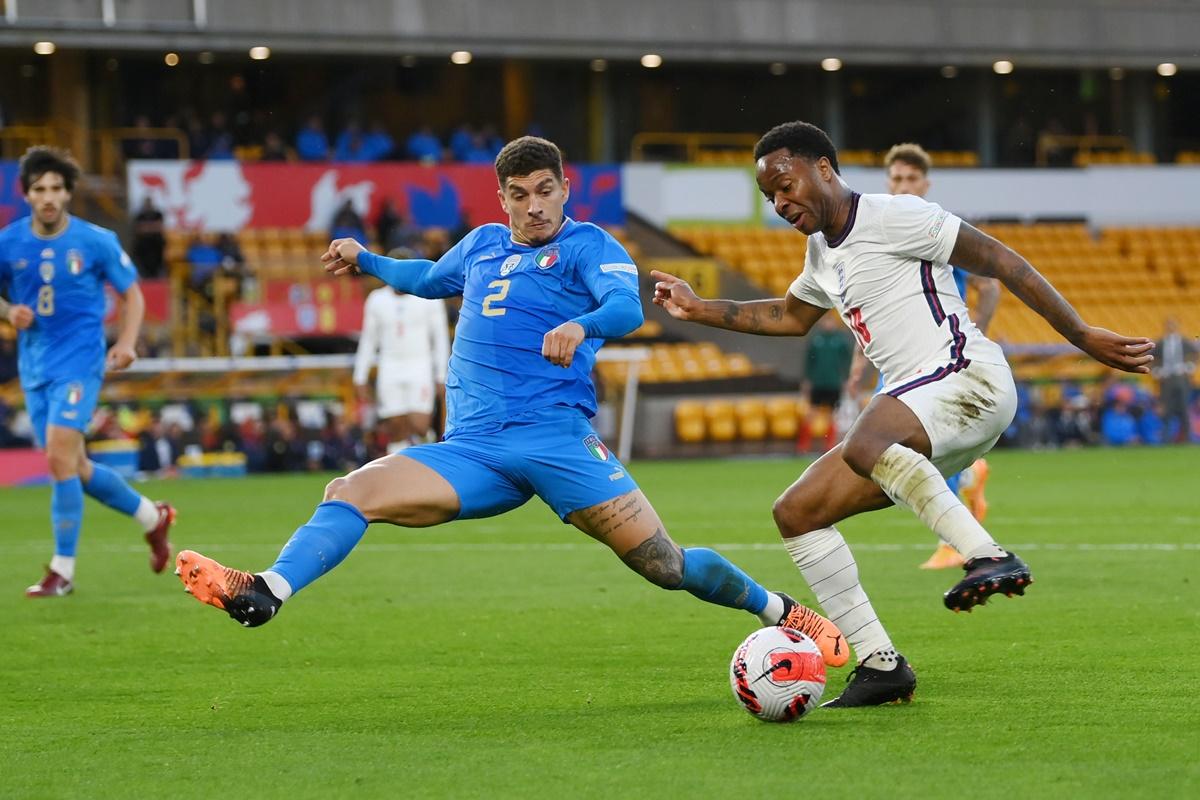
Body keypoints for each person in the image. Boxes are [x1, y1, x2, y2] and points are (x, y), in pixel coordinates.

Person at [174, 136, 847, 672]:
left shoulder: (589, 246)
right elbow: (427, 278)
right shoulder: (481, 247)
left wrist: (581, 325)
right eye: (520, 195)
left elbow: (622, 306)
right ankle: (267, 591)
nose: (534, 206)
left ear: (565, 189)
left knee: (665, 565)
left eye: (545, 191)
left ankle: (781, 611)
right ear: (501, 199)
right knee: (350, 489)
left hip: (556, 441)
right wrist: (368, 258)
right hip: (471, 449)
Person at [651, 121, 1153, 706]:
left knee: (866, 438)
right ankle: (881, 666)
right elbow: (786, 317)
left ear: (824, 168)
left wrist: (1081, 334)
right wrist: (696, 307)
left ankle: (988, 554)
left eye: (785, 185)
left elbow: (1000, 259)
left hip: (969, 377)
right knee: (797, 511)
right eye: (770, 196)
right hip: (924, 409)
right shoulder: (821, 253)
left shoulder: (895, 214)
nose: (781, 202)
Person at [0, 146, 175, 597]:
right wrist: (7, 310)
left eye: (57, 188)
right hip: (34, 367)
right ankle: (153, 519)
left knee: (60, 456)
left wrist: (126, 341)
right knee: (73, 465)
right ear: (27, 194)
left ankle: (62, 571)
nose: (49, 197)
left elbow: (133, 294)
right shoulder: (9, 241)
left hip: (79, 362)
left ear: (69, 192)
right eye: (40, 189)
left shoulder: (95, 240)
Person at [845, 142, 1003, 570]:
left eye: (911, 179)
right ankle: (970, 478)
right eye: (896, 179)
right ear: (887, 182)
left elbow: (991, 285)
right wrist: (860, 364)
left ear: (926, 184)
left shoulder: (938, 228)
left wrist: (975, 337)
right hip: (896, 363)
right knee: (881, 459)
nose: (903, 185)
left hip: (939, 359)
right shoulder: (875, 232)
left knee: (915, 452)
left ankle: (954, 541)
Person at [353, 269, 451, 452]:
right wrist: (360, 377)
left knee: (420, 424)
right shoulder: (377, 299)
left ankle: (425, 462)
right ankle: (397, 470)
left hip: (420, 364)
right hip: (389, 365)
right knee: (396, 426)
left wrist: (441, 374)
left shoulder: (430, 296)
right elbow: (368, 340)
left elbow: (440, 338)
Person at [1155, 318, 1197, 443]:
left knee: (1184, 408)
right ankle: (1166, 439)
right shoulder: (1161, 342)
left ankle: (1187, 438)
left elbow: (1195, 354)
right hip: (1167, 378)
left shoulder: (1184, 341)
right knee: (1166, 409)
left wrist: (1188, 367)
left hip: (1181, 378)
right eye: (1169, 325)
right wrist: (1157, 371)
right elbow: (1152, 358)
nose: (1171, 327)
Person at [131, 196, 165, 279]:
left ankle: (157, 272)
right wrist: (153, 227)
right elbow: (140, 229)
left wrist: (147, 227)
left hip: (156, 242)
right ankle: (143, 272)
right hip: (144, 242)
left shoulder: (158, 214)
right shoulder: (140, 215)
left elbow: (159, 227)